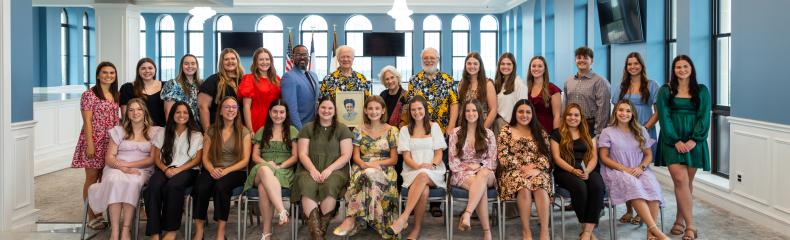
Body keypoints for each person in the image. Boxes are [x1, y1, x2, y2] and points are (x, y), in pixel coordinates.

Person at [88, 98, 161, 240]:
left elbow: (151, 159)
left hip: (141, 169)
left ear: (144, 112)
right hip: (116, 167)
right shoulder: (118, 131)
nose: (135, 113)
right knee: (114, 180)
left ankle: (126, 229)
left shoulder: (154, 132)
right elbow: (109, 158)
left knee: (132, 182)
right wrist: (122, 168)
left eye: (139, 109)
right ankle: (115, 231)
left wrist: (128, 167)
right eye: (131, 110)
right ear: (127, 113)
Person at [655, 55, 710, 240]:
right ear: (673, 70)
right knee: (680, 180)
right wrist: (675, 140)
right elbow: (664, 116)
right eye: (678, 67)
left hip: (694, 141)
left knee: (687, 182)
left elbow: (704, 116)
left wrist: (695, 139)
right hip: (672, 140)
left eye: (685, 66)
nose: (682, 70)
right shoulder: (666, 90)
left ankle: (680, 220)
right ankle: (691, 226)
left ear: (691, 68)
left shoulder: (702, 90)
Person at [599, 100, 669, 240]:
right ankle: (656, 231)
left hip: (639, 168)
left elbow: (648, 155)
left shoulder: (640, 130)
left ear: (632, 114)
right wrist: (624, 169)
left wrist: (641, 168)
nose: (624, 113)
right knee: (634, 185)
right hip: (616, 170)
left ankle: (650, 234)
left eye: (628, 111)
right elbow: (604, 157)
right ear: (615, 112)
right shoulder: (607, 132)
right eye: (621, 110)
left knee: (652, 186)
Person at [333, 96, 400, 239]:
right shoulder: (358, 129)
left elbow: (394, 159)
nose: (373, 111)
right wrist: (366, 166)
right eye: (370, 108)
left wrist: (375, 165)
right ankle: (373, 221)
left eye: (377, 108)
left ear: (383, 111)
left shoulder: (392, 130)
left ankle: (352, 218)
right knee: (368, 175)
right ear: (365, 110)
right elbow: (355, 157)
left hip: (385, 168)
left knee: (370, 176)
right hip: (362, 167)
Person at [292, 97, 353, 240]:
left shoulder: (342, 129)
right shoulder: (307, 128)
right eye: (323, 108)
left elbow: (346, 155)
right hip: (308, 168)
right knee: (307, 185)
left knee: (330, 185)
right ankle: (318, 236)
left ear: (335, 111)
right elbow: (302, 153)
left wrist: (329, 170)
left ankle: (317, 234)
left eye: (330, 108)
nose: (326, 111)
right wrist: (312, 170)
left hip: (336, 169)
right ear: (318, 110)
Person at [388, 95, 448, 239]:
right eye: (413, 110)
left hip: (434, 171)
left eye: (419, 108)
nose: (417, 112)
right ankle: (416, 228)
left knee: (423, 175)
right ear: (410, 112)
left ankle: (403, 218)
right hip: (412, 171)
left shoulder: (434, 127)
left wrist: (432, 165)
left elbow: (439, 154)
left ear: (425, 109)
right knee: (424, 190)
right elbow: (407, 157)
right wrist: (418, 166)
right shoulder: (404, 130)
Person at [407, 47, 458, 217]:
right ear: (421, 60)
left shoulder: (447, 79)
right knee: (419, 162)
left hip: (442, 129)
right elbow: (411, 104)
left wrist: (451, 126)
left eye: (432, 58)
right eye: (426, 58)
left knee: (437, 164)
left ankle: (435, 204)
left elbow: (454, 104)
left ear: (438, 59)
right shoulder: (415, 80)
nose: (429, 60)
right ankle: (416, 200)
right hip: (420, 129)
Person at [611, 52, 660, 225]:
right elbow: (616, 110)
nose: (633, 66)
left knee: (640, 172)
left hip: (643, 132)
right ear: (626, 67)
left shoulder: (652, 85)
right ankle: (629, 210)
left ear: (642, 65)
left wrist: (644, 129)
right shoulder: (621, 87)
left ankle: (642, 211)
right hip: (623, 135)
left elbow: (658, 111)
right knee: (626, 172)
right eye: (629, 64)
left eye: (636, 63)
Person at [192, 96, 251, 240]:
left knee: (221, 186)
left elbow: (245, 160)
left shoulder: (244, 132)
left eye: (234, 107)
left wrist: (225, 171)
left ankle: (220, 232)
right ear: (220, 111)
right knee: (201, 187)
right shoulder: (211, 130)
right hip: (212, 168)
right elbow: (205, 157)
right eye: (227, 107)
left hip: (235, 171)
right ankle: (199, 231)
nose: (230, 110)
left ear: (237, 111)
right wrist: (212, 169)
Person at [72, 61, 120, 231]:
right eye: (105, 72)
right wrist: (90, 144)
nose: (108, 76)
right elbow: (87, 120)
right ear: (98, 75)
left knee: (104, 178)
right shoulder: (89, 95)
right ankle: (92, 215)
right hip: (94, 140)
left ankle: (101, 212)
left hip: (111, 141)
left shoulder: (116, 94)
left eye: (112, 73)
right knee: (92, 179)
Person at [144, 102, 203, 240]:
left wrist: (178, 170)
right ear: (172, 115)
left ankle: (171, 231)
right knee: (153, 186)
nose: (181, 115)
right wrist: (166, 169)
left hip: (188, 170)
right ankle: (155, 232)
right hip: (166, 168)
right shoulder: (163, 132)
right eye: (178, 112)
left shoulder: (196, 134)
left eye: (185, 112)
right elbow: (157, 157)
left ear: (189, 115)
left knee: (173, 186)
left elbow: (197, 160)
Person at [497, 99, 552, 240]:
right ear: (515, 113)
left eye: (528, 112)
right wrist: (521, 167)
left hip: (537, 170)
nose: (524, 115)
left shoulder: (539, 131)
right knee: (524, 188)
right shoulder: (506, 131)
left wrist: (536, 169)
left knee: (540, 187)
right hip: (513, 171)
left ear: (532, 114)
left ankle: (544, 232)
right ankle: (526, 231)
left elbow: (547, 155)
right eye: (520, 111)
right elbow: (502, 155)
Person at [243, 99, 297, 240]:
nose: (278, 115)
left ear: (286, 114)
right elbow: (255, 156)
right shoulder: (262, 130)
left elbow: (295, 156)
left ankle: (266, 232)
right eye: (275, 111)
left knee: (263, 187)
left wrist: (279, 166)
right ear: (269, 112)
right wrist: (268, 165)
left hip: (284, 170)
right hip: (261, 168)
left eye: (281, 112)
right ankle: (282, 210)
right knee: (264, 171)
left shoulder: (292, 131)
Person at [550, 103, 604, 240]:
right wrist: (573, 170)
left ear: (581, 117)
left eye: (576, 115)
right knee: (580, 187)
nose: (572, 118)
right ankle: (587, 229)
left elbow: (594, 157)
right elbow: (556, 158)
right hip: (565, 170)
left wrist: (588, 171)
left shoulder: (588, 133)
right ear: (564, 116)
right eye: (569, 114)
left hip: (587, 169)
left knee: (597, 186)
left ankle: (587, 231)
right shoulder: (556, 133)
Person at [448, 100, 497, 240]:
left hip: (486, 172)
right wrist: (469, 167)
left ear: (480, 113)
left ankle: (467, 214)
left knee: (483, 174)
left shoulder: (488, 134)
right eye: (468, 111)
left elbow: (493, 161)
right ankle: (487, 232)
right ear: (463, 114)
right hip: (462, 173)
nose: (471, 113)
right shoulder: (456, 133)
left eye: (474, 110)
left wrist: (480, 166)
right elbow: (453, 161)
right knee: (479, 187)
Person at [564, 46, 611, 136]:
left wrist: (598, 133)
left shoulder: (600, 81)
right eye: (579, 58)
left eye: (585, 58)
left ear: (592, 61)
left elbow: (603, 109)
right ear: (575, 60)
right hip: (571, 125)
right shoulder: (568, 81)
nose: (582, 60)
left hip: (590, 126)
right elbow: (565, 106)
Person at [198, 48, 244, 131]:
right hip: (218, 128)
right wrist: (207, 131)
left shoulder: (243, 81)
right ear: (221, 62)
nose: (230, 61)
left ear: (237, 61)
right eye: (226, 59)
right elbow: (202, 107)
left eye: (233, 59)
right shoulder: (213, 80)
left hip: (239, 128)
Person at [239, 48, 281, 133]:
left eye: (267, 59)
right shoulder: (249, 79)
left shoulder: (277, 79)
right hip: (256, 120)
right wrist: (250, 129)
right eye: (261, 59)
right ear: (256, 62)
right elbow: (246, 107)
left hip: (275, 119)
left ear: (271, 61)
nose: (264, 62)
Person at [281, 45, 319, 129]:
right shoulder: (288, 77)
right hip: (300, 126)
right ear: (292, 57)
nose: (302, 57)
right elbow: (291, 109)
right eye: (298, 54)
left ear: (308, 57)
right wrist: (299, 130)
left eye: (305, 54)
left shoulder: (313, 75)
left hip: (315, 125)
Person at [458, 52, 498, 130]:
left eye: (475, 64)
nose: (472, 66)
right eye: (469, 63)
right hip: (465, 126)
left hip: (482, 125)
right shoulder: (461, 84)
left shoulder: (488, 84)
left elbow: (493, 110)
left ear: (480, 67)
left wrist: (483, 129)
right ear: (465, 66)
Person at [121, 58, 166, 126]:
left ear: (155, 70)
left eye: (150, 68)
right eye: (143, 68)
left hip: (161, 130)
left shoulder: (166, 86)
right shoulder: (127, 88)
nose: (147, 71)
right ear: (138, 71)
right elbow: (125, 115)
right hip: (137, 131)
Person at [161, 54, 202, 124]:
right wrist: (171, 131)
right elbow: (168, 111)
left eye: (193, 63)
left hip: (198, 128)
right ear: (181, 66)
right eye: (186, 64)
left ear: (197, 66)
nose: (190, 66)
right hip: (179, 126)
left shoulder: (202, 84)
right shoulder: (172, 84)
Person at [494, 53, 529, 132]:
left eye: (509, 64)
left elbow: (523, 108)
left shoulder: (519, 84)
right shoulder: (499, 83)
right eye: (502, 64)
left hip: (510, 125)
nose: (505, 66)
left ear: (513, 66)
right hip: (497, 123)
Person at [527, 56, 562, 132]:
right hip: (530, 132)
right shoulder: (526, 89)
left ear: (544, 69)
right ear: (530, 69)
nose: (536, 69)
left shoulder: (553, 89)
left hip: (547, 132)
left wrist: (555, 136)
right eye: (533, 66)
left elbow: (557, 116)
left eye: (540, 66)